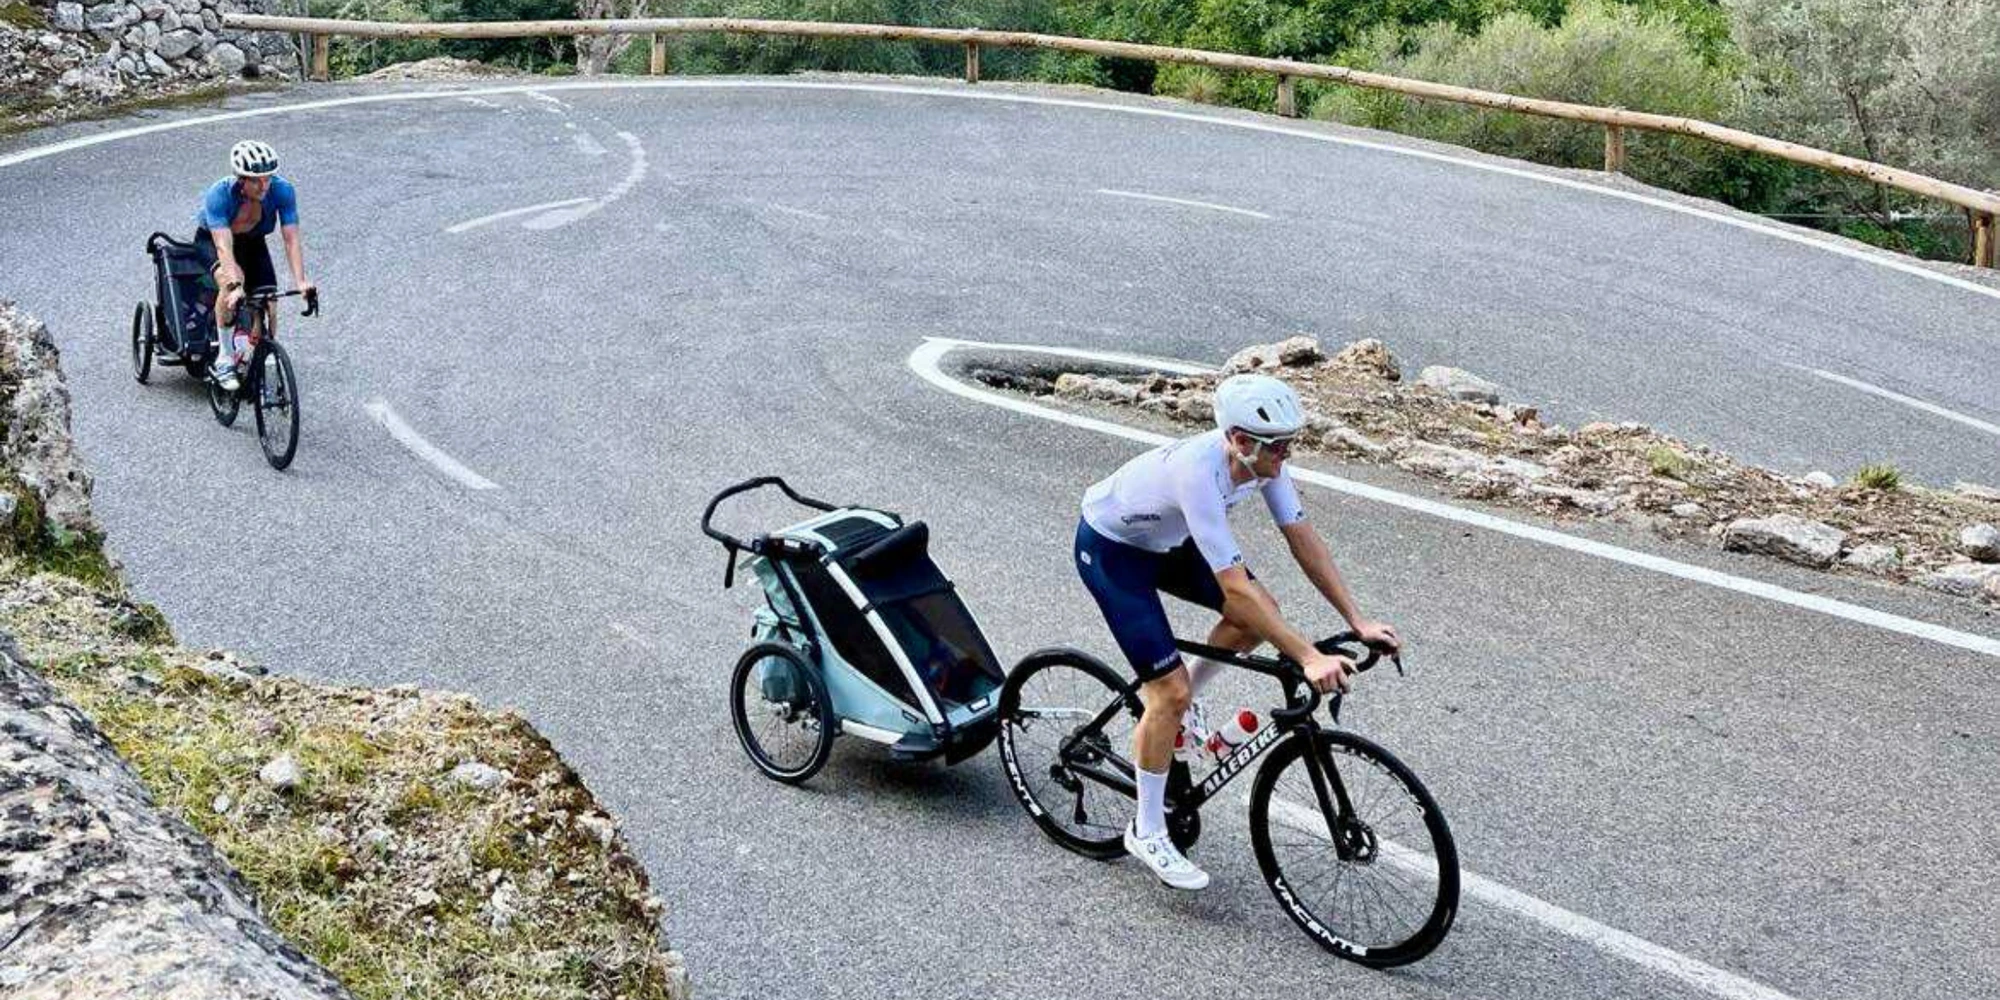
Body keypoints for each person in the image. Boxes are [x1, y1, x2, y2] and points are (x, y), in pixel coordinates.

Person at [1073, 372, 1401, 890]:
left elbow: (1303, 539)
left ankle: (1182, 713)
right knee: (1170, 690)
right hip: (1114, 553)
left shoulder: (1262, 463)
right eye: (1279, 447)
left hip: (1167, 545)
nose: (1287, 456)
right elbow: (1233, 585)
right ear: (1240, 442)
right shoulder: (1197, 473)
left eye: (1292, 443)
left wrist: (1355, 619)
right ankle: (1148, 828)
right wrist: (1308, 655)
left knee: (1254, 617)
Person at [195, 140, 314, 391]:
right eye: (256, 180)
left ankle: (255, 355)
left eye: (267, 179)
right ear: (241, 179)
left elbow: (291, 239)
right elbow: (223, 247)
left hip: (252, 241)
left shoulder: (282, 190)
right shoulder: (219, 194)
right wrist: (236, 285)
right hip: (214, 240)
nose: (264, 186)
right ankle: (225, 358)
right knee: (230, 284)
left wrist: (301, 281)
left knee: (269, 301)